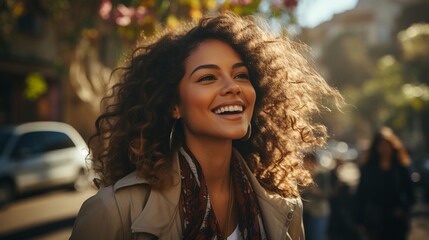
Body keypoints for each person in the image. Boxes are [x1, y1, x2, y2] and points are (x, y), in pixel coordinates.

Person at [70, 11, 342, 240]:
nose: (232, 86)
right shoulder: (114, 212)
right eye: (208, 78)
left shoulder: (285, 208)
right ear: (174, 105)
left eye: (240, 75)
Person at [354, 127, 415, 240]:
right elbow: (361, 194)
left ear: (392, 146)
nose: (384, 149)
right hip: (374, 221)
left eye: (386, 145)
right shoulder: (368, 169)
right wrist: (359, 220)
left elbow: (410, 193)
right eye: (381, 145)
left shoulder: (400, 168)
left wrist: (403, 209)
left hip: (396, 222)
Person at [302, 152, 331, 240]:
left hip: (319, 212)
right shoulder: (303, 175)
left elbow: (328, 193)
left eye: (310, 162)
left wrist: (317, 192)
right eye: (306, 162)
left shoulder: (321, 174)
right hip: (306, 212)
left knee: (317, 236)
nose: (307, 164)